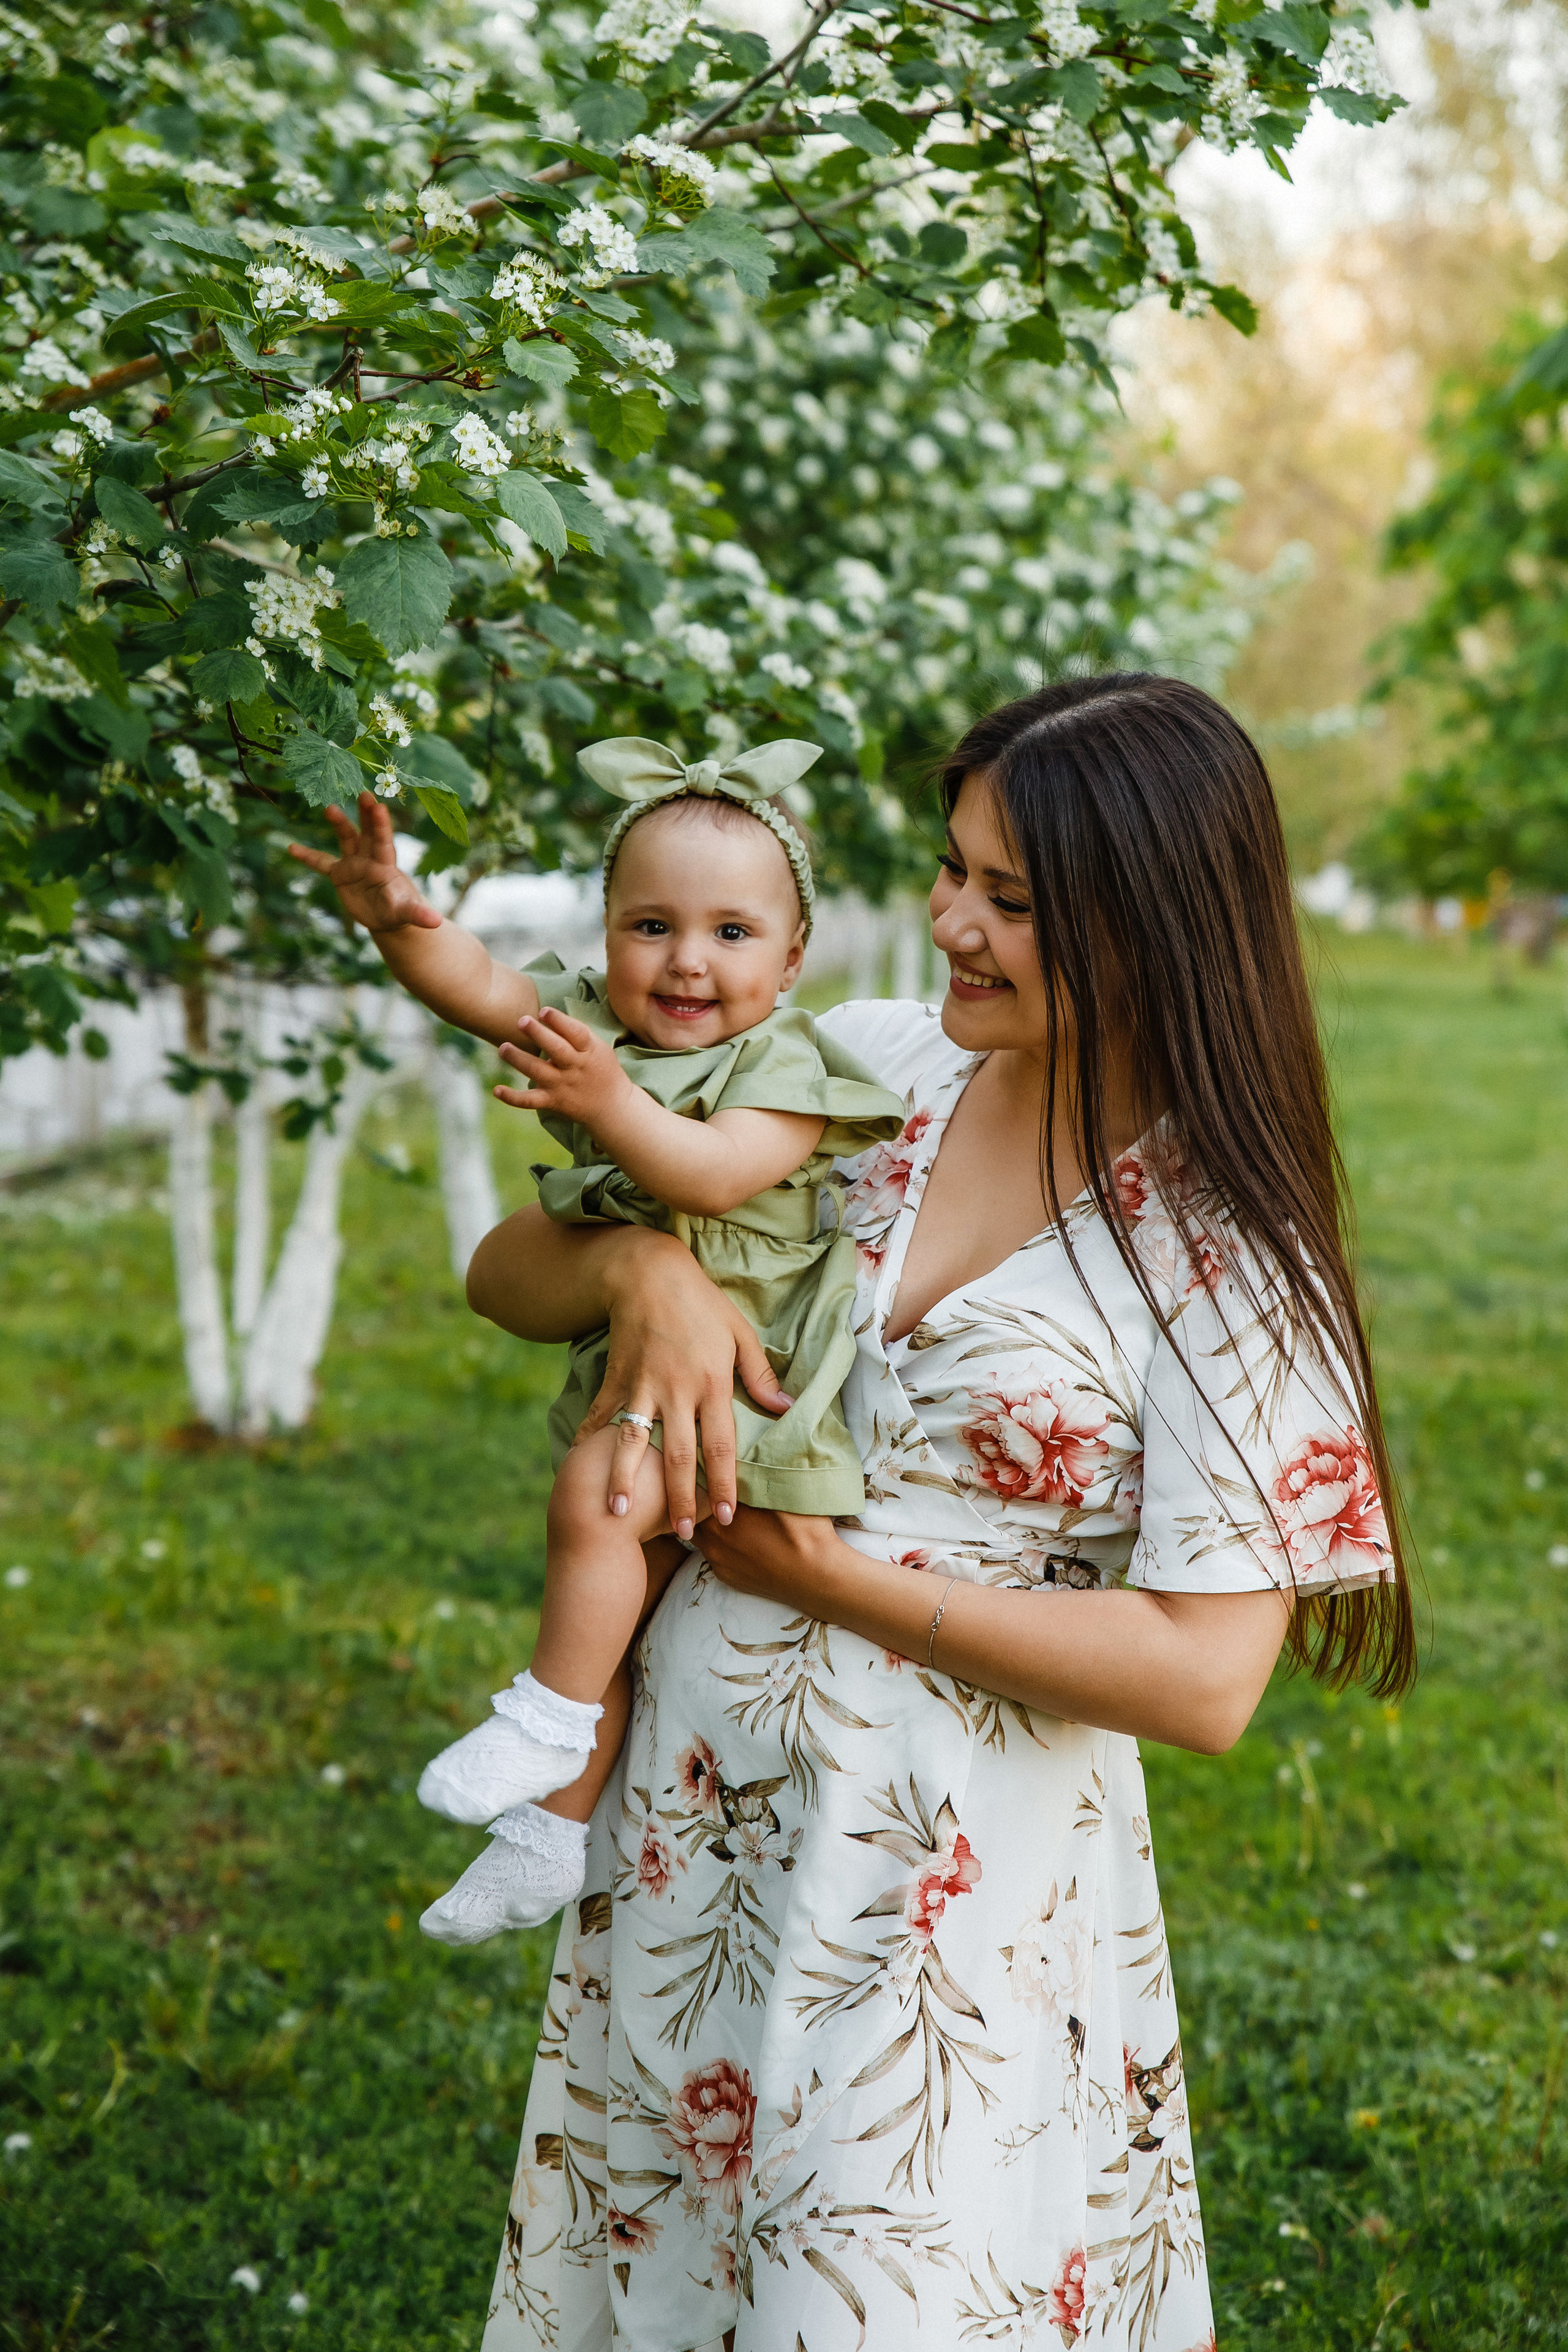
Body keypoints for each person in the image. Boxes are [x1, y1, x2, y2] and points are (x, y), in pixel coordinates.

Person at [464, 673, 1417, 2352]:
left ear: (1154, 927)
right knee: (672, 2265)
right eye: (951, 867)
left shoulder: (1230, 1255)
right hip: (694, 1828)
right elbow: (506, 1273)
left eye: (1011, 899)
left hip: (943, 1887)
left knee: (874, 2286)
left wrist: (828, 1580)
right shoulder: (870, 1069)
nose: (947, 920)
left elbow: (1207, 1681)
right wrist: (641, 1276)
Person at [288, 739, 904, 1942]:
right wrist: (399, 918)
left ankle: (542, 1720)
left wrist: (612, 1108)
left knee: (595, 1504)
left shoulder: (782, 1067)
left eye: (731, 934)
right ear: (607, 933)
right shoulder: (590, 1033)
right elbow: (478, 985)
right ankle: (543, 1837)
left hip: (746, 1380)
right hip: (643, 1357)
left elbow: (718, 1177)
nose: (686, 960)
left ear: (789, 961)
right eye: (650, 926)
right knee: (616, 1611)